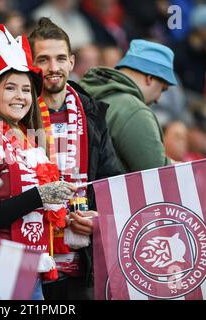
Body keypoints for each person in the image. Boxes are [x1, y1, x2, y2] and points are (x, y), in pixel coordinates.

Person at [0, 24, 77, 299]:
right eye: (10, 88)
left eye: (25, 90)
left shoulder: (24, 141)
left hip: (28, 270)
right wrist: (39, 196)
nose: (20, 97)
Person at [28, 17, 122, 300]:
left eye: (59, 58)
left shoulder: (93, 114)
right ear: (30, 66)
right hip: (34, 262)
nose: (53, 68)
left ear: (71, 61)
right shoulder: (18, 115)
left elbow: (112, 183)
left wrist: (99, 220)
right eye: (43, 59)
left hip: (83, 261)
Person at [80, 39, 177, 173]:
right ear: (149, 78)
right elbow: (159, 176)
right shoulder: (135, 111)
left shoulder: (89, 92)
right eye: (162, 89)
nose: (158, 99)